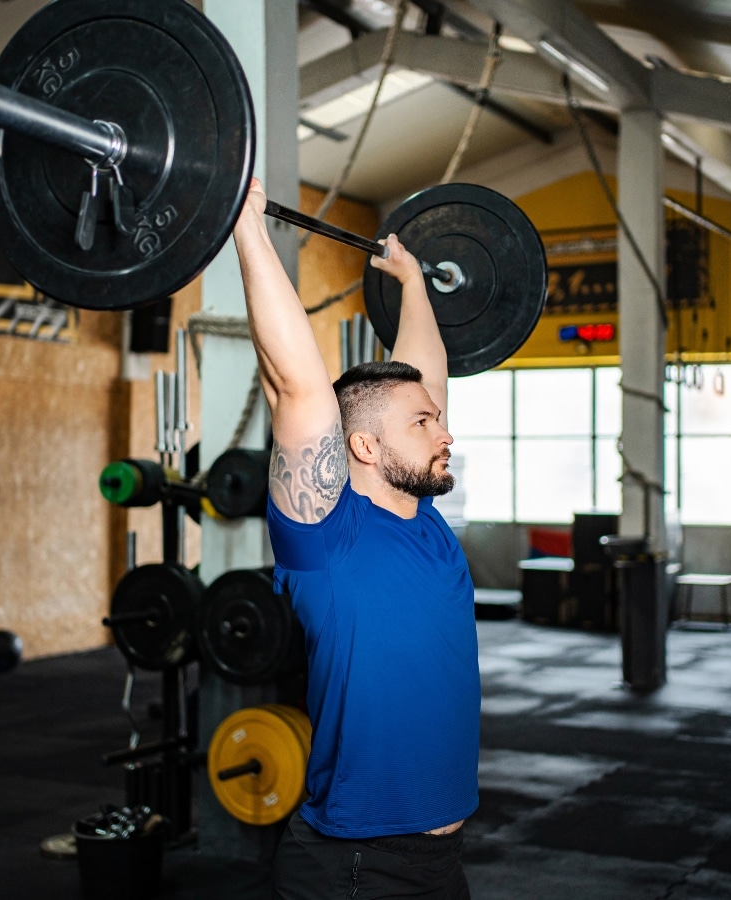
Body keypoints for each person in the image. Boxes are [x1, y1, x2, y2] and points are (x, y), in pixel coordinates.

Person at [231, 178, 479, 900]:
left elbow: (422, 376)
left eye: (437, 419)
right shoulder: (323, 538)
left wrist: (411, 282)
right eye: (424, 425)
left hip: (441, 858)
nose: (446, 432)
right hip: (357, 866)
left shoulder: (424, 521)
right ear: (364, 448)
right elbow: (299, 388)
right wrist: (244, 227)